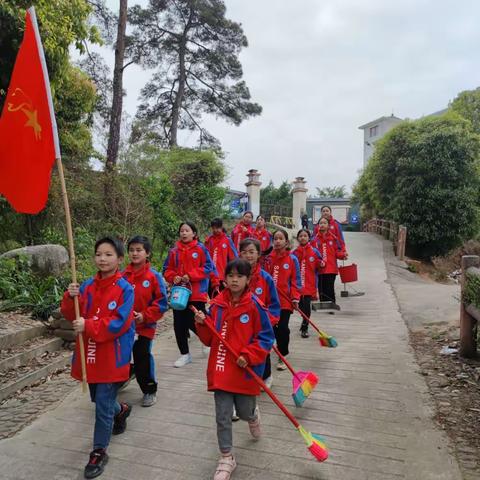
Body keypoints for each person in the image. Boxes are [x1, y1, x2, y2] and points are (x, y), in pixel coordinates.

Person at [193, 259, 275, 480]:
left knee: (245, 410)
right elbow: (210, 340)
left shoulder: (255, 306)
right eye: (230, 276)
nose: (234, 279)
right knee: (223, 415)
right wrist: (202, 323)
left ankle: (253, 415)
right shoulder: (217, 306)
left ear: (248, 280)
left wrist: (248, 355)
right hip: (221, 368)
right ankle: (227, 456)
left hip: (245, 370)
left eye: (239, 276)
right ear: (225, 279)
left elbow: (266, 337)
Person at [61, 236, 135, 479]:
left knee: (102, 404)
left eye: (109, 254)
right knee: (99, 399)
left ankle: (99, 451)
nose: (102, 259)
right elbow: (73, 313)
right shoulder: (86, 286)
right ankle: (121, 410)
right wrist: (70, 297)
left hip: (111, 355)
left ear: (119, 259)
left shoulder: (125, 289)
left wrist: (89, 324)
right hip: (89, 354)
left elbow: (119, 323)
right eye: (99, 254)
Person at [122, 235, 168, 407]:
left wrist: (145, 316)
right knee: (121, 356)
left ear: (147, 253)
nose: (135, 253)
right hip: (123, 328)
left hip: (144, 328)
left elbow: (162, 303)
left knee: (142, 357)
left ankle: (149, 390)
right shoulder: (122, 276)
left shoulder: (153, 276)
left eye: (139, 250)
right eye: (132, 250)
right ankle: (125, 375)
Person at [163, 221, 216, 367]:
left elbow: (208, 268)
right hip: (178, 293)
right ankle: (184, 354)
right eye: (181, 231)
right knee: (179, 323)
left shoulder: (201, 249)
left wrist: (191, 275)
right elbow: (166, 269)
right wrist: (173, 276)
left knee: (198, 320)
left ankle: (208, 342)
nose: (184, 233)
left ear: (194, 234)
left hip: (196, 293)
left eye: (187, 230)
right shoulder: (174, 251)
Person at [239, 237, 280, 388]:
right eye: (244, 252)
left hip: (262, 324)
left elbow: (274, 305)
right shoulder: (237, 277)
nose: (248, 255)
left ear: (258, 254)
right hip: (242, 322)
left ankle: (266, 375)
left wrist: (268, 321)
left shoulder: (266, 278)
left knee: (263, 350)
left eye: (251, 252)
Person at [266, 229, 301, 370]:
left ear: (286, 242)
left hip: (286, 300)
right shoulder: (268, 258)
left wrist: (295, 297)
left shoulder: (292, 259)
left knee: (282, 328)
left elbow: (295, 281)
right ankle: (278, 346)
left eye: (281, 238)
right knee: (272, 328)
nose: (278, 241)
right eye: (275, 238)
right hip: (270, 301)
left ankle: (283, 354)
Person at [292, 229, 324, 338]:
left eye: (305, 236)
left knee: (307, 307)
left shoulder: (314, 252)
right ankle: (304, 320)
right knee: (301, 307)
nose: (303, 238)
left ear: (309, 238)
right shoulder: (294, 253)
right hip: (298, 285)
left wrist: (322, 264)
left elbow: (320, 264)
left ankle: (305, 327)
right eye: (300, 236)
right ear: (298, 238)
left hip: (310, 284)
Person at [312, 217, 348, 306]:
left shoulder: (333, 238)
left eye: (324, 223)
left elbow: (337, 251)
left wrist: (343, 255)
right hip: (320, 268)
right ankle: (323, 304)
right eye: (320, 223)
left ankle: (332, 304)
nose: (322, 225)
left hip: (331, 268)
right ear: (318, 226)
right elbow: (312, 253)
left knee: (329, 287)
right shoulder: (314, 240)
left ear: (328, 226)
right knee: (321, 287)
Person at [205, 218, 238, 296]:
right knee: (213, 299)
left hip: (223, 276)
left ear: (221, 227)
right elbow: (204, 258)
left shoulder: (227, 240)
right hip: (211, 276)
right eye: (214, 228)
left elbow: (234, 258)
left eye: (217, 228)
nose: (216, 230)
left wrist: (231, 274)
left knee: (223, 299)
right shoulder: (209, 240)